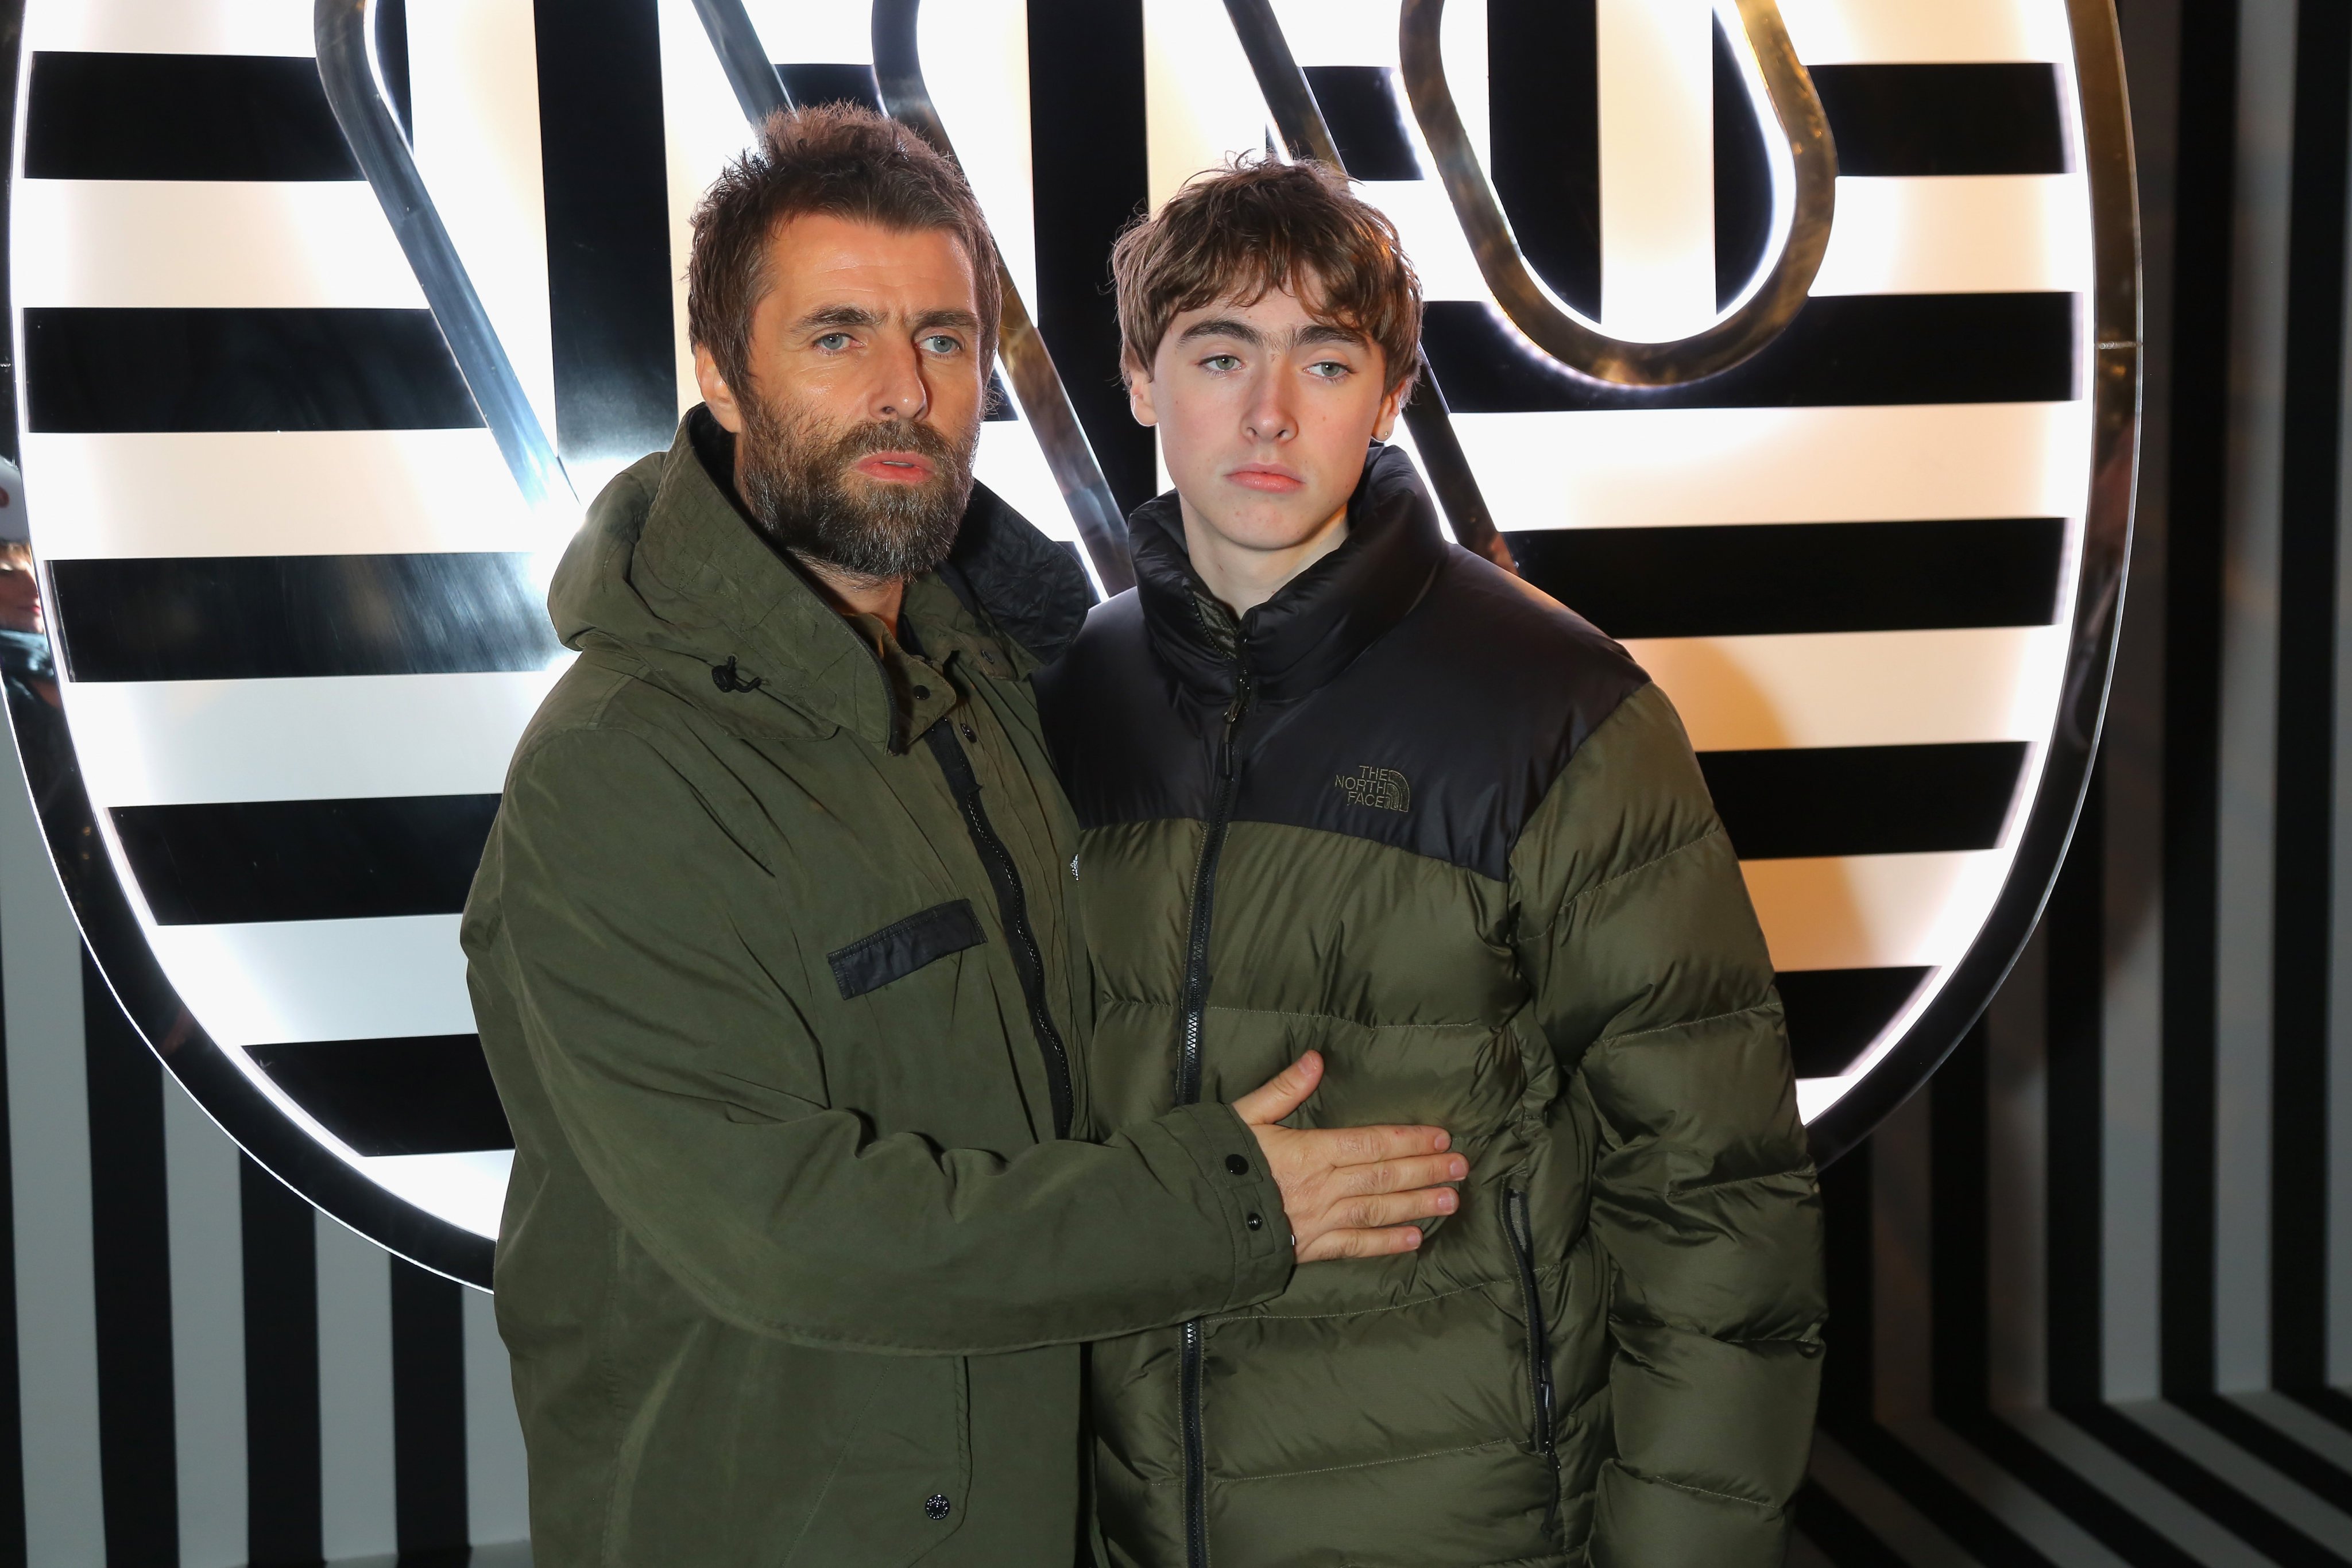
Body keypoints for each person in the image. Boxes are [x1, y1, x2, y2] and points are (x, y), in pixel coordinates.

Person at [460, 108, 1468, 1567]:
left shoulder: (987, 680)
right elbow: (786, 1230)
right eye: (836, 337)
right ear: (718, 376)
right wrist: (1226, 1204)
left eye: (942, 339)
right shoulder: (619, 773)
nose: (904, 394)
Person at [1033, 157, 1827, 1567]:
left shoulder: (1550, 706)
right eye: (1219, 353)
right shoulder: (1075, 693)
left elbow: (1711, 1197)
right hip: (1134, 1522)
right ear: (1142, 384)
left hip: (1470, 1526)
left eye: (1323, 360)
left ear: (1390, 395)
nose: (1268, 411)